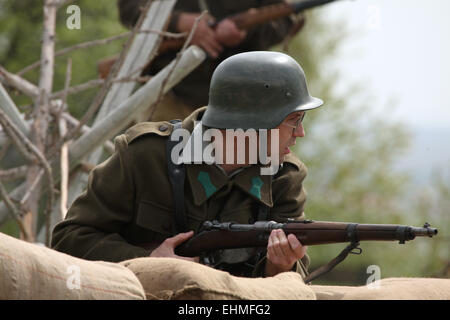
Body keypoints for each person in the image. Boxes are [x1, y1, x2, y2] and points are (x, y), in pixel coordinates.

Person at [52, 51, 323, 278]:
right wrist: (148, 261)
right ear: (254, 120)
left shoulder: (284, 177)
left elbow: (292, 283)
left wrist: (279, 265)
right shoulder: (146, 156)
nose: (300, 133)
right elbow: (69, 239)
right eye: (293, 120)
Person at [117, 0, 304, 122]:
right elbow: (130, 9)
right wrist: (179, 22)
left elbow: (286, 20)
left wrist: (245, 32)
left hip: (238, 104)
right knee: (152, 170)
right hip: (165, 93)